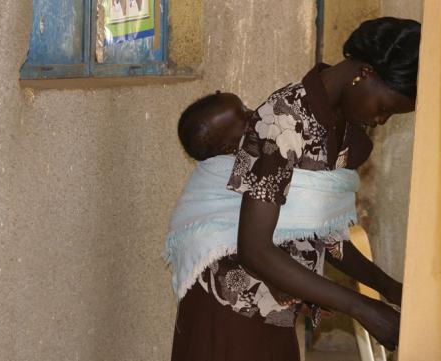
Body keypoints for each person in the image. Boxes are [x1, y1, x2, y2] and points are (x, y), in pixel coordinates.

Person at [170, 17, 421, 361]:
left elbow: (325, 236)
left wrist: (389, 289)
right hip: (232, 306)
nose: (381, 121)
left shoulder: (345, 129)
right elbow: (254, 248)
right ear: (365, 72)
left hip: (275, 308)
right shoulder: (282, 121)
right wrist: (362, 308)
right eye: (385, 109)